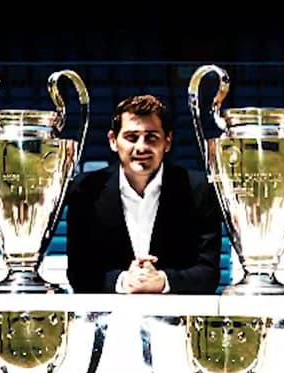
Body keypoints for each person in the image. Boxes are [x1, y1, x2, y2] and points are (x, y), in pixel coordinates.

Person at [64, 94, 222, 294]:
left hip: (177, 312)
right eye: (131, 137)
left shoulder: (199, 189)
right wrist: (124, 281)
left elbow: (208, 273)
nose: (141, 147)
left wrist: (163, 281)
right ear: (113, 141)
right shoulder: (86, 190)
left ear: (168, 141)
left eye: (151, 137)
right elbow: (79, 272)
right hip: (107, 312)